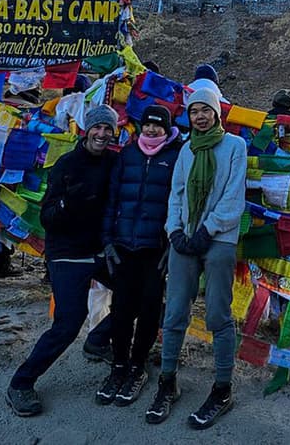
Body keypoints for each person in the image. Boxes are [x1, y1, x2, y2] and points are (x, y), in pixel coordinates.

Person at [5, 104, 120, 417]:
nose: (102, 134)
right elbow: (47, 217)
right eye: (97, 127)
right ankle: (22, 382)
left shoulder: (115, 161)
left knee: (140, 294)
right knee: (69, 321)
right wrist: (69, 203)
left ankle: (97, 341)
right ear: (86, 129)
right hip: (67, 252)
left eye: (107, 129)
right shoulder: (66, 165)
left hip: (102, 250)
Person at [147, 87, 246, 429]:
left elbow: (234, 196)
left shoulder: (235, 146)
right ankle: (167, 381)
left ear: (217, 113)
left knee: (218, 313)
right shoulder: (186, 150)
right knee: (174, 311)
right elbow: (176, 195)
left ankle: (222, 388)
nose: (200, 116)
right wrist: (175, 232)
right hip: (184, 239)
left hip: (219, 240)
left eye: (206, 110)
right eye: (194, 111)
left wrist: (208, 230)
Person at [97, 104, 181, 407]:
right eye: (147, 125)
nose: (152, 130)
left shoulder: (175, 157)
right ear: (140, 126)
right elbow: (112, 199)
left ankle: (137, 367)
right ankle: (118, 365)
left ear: (166, 128)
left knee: (148, 311)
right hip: (123, 247)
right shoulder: (128, 155)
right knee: (120, 309)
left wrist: (171, 245)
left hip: (154, 249)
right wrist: (107, 240)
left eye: (158, 126)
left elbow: (179, 203)